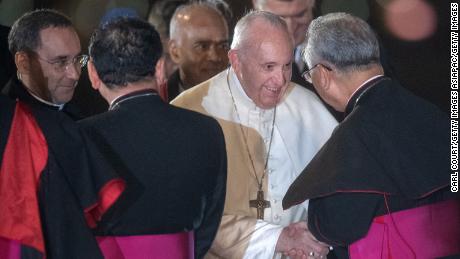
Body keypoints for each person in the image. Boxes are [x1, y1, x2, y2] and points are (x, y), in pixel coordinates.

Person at [283, 12, 460, 259]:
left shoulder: (352, 138)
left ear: (323, 74)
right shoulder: (434, 112)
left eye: (309, 75)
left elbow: (336, 227)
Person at [172, 11, 337, 258]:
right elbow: (187, 213)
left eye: (287, 66)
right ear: (236, 61)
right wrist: (278, 238)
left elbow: (339, 193)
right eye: (268, 67)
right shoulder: (189, 111)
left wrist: (316, 239)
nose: (280, 80)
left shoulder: (306, 105)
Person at [80, 17, 227, 259]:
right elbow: (208, 227)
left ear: (93, 74)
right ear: (160, 68)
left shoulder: (80, 137)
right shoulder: (206, 130)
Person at [0, 9, 125, 258]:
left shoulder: (94, 110)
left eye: (77, 60)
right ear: (23, 62)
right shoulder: (11, 129)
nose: (74, 74)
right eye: (60, 62)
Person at [252, 0, 343, 122]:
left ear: (312, 4)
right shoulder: (238, 53)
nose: (290, 27)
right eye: (278, 17)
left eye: (300, 15)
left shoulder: (341, 48)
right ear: (257, 7)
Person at [168, 2, 229, 101]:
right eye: (203, 46)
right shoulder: (155, 105)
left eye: (222, 46)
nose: (215, 57)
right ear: (175, 52)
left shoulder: (249, 101)